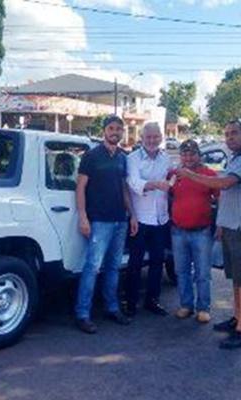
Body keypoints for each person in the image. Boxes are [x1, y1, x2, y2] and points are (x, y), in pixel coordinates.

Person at [176, 120, 241, 349]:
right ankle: (237, 318)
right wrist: (222, 224)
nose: (229, 137)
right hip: (231, 226)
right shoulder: (236, 157)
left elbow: (224, 183)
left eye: (234, 133)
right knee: (234, 278)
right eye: (226, 134)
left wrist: (189, 174)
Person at [75, 115, 138, 334]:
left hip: (120, 220)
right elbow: (80, 188)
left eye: (119, 129)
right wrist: (82, 216)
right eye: (111, 128)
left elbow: (124, 189)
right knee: (92, 267)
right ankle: (82, 314)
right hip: (99, 221)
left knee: (113, 267)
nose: (115, 132)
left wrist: (133, 215)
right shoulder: (91, 156)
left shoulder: (123, 157)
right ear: (104, 131)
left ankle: (112, 308)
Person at [125, 122, 172, 317]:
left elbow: (172, 180)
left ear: (161, 137)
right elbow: (133, 182)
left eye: (155, 137)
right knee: (135, 263)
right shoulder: (132, 159)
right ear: (142, 139)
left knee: (157, 262)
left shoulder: (166, 158)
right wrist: (156, 184)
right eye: (148, 137)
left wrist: (170, 183)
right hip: (141, 219)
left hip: (161, 219)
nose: (152, 140)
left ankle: (152, 300)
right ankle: (130, 303)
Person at [168, 139, 219, 324]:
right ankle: (186, 305)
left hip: (201, 232)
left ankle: (203, 308)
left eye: (191, 154)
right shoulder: (174, 175)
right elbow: (167, 193)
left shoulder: (209, 174)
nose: (188, 157)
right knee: (181, 272)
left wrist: (219, 225)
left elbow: (220, 199)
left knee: (203, 272)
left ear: (199, 155)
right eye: (184, 154)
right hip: (178, 231)